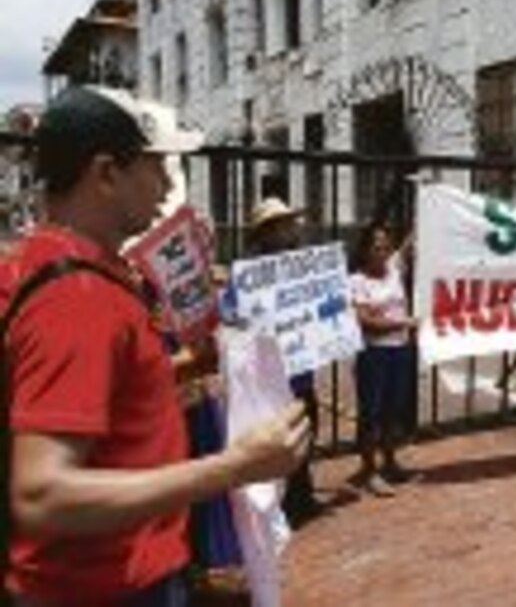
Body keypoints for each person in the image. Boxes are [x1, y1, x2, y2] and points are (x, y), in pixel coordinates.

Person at [0, 86, 310, 605]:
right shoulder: (78, 296)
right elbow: (42, 494)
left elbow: (99, 399)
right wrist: (237, 466)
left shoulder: (62, 264)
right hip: (104, 587)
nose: (168, 185)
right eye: (157, 165)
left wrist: (185, 366)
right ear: (106, 174)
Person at [243, 197, 326, 527]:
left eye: (291, 223)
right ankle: (282, 504)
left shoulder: (302, 264)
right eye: (283, 224)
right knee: (282, 437)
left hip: (300, 368)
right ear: (267, 231)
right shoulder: (252, 271)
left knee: (308, 430)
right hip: (271, 371)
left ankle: (301, 497)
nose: (291, 230)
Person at [349, 222, 417, 498]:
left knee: (393, 409)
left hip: (399, 350)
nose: (382, 251)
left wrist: (428, 195)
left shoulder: (394, 269)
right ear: (365, 250)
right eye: (376, 247)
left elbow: (412, 242)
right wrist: (404, 323)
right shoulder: (356, 282)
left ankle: (389, 462)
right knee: (371, 414)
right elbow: (365, 322)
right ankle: (369, 470)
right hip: (373, 353)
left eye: (386, 246)